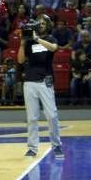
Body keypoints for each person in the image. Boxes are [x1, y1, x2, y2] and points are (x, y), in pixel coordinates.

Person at [17, 15, 64, 158]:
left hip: (45, 81)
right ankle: (32, 147)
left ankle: (56, 145)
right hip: (30, 82)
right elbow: (20, 60)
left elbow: (54, 48)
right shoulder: (29, 42)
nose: (41, 25)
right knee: (32, 117)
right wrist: (22, 43)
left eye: (44, 23)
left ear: (48, 25)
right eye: (39, 23)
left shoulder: (50, 39)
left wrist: (37, 38)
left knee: (52, 115)